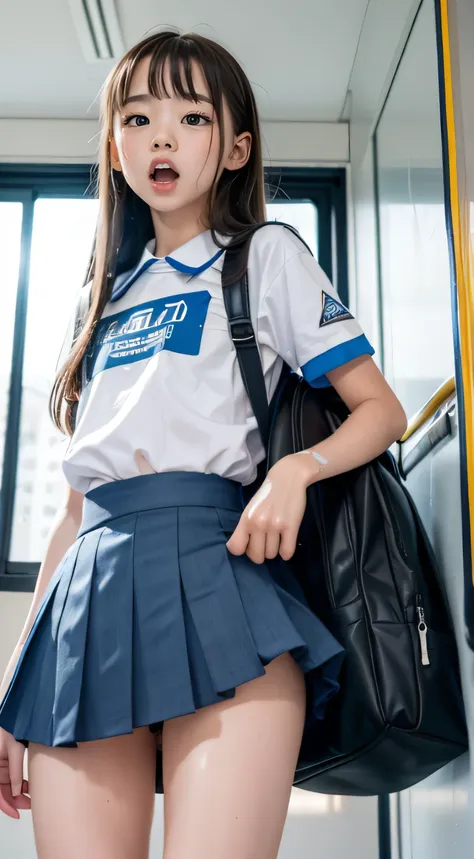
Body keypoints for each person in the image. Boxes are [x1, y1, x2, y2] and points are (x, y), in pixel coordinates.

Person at [0, 27, 407, 859]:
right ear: (115, 147)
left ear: (234, 146)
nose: (162, 137)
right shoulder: (99, 304)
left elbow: (380, 409)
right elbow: (76, 508)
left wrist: (297, 469)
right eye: (139, 117)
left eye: (191, 118)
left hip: (222, 576)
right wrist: (15, 679)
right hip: (86, 598)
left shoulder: (265, 258)